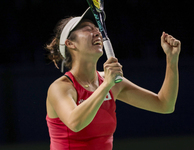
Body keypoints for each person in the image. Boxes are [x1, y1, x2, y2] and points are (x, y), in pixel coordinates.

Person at [45, 7, 181, 150]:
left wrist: (171, 60)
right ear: (70, 43)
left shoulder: (112, 82)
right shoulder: (61, 87)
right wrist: (106, 85)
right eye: (87, 29)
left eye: (96, 28)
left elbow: (164, 105)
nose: (97, 32)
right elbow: (75, 123)